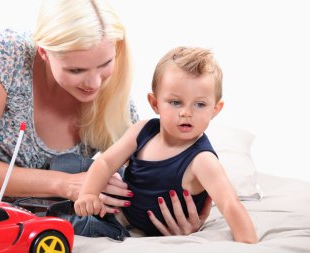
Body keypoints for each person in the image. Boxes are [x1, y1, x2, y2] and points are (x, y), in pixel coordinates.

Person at [0, 0, 210, 240]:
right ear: (43, 52)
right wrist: (66, 183)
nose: (93, 83)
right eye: (76, 69)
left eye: (105, 64)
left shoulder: (116, 102)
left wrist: (186, 213)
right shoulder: (8, 54)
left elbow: (160, 169)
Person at [74, 46, 259, 243]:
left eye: (200, 104)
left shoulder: (202, 160)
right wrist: (88, 194)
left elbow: (229, 203)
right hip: (118, 206)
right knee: (68, 163)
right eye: (175, 102)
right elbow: (105, 162)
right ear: (155, 103)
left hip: (121, 226)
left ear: (216, 109)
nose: (186, 112)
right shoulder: (143, 130)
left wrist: (249, 244)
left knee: (78, 224)